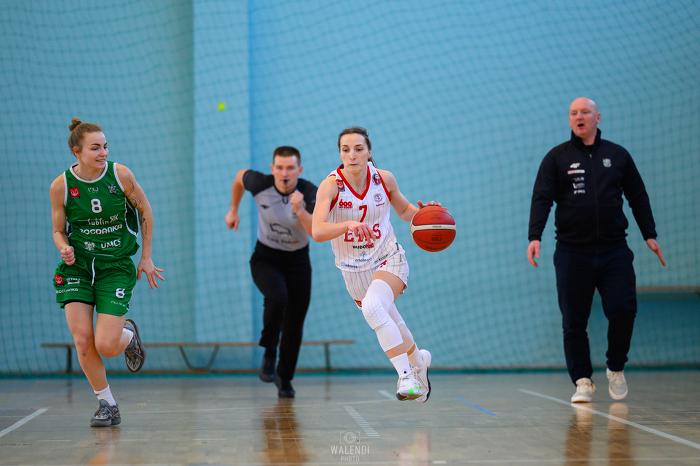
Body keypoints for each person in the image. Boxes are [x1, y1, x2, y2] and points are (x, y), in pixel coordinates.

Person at [527, 98, 665, 403]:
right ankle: (582, 381)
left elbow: (638, 196)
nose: (579, 116)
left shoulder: (618, 155)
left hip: (614, 250)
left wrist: (650, 234)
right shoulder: (556, 158)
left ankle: (615, 367)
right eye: (573, 113)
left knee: (624, 309)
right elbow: (541, 198)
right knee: (573, 320)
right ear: (569, 120)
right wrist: (534, 236)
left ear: (597, 117)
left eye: (585, 112)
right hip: (572, 252)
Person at [50, 118, 164, 427]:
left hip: (114, 266)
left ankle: (128, 336)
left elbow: (145, 209)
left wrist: (146, 257)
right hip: (77, 267)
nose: (103, 152)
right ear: (77, 152)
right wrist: (63, 246)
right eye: (95, 148)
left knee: (106, 346)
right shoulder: (61, 186)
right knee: (83, 341)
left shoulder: (120, 175)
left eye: (105, 146)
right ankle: (107, 404)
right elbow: (58, 230)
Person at [311, 126, 434, 402]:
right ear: (340, 154)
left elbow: (404, 209)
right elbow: (317, 231)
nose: (352, 155)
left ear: (368, 152)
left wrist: (424, 214)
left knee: (373, 306)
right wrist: (347, 225)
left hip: (388, 258)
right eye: (345, 150)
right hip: (353, 271)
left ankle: (406, 377)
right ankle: (419, 363)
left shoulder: (383, 179)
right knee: (390, 320)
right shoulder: (331, 185)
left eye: (358, 149)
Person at [225, 146, 316, 398]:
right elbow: (239, 177)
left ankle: (284, 379)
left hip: (298, 262)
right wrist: (233, 210)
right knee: (277, 297)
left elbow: (315, 232)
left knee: (294, 324)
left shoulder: (310, 193)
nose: (284, 173)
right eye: (280, 168)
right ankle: (269, 351)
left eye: (290, 168)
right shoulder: (260, 183)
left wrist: (300, 210)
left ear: (299, 170)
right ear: (272, 169)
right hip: (266, 258)